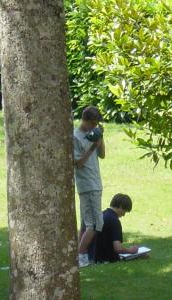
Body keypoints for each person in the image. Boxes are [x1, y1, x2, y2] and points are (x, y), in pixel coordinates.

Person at [74, 106, 105, 267]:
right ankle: (81, 256)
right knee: (95, 224)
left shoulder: (92, 133)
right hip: (86, 184)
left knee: (85, 224)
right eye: (92, 124)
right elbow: (78, 163)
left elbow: (102, 155)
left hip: (96, 182)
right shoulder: (76, 137)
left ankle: (76, 256)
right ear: (85, 120)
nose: (93, 127)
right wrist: (92, 146)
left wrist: (100, 139)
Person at [95, 193, 139, 263]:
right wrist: (130, 250)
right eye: (125, 211)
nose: (124, 215)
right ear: (121, 206)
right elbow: (118, 249)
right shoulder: (114, 221)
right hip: (109, 259)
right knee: (144, 255)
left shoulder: (102, 214)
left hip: (97, 257)